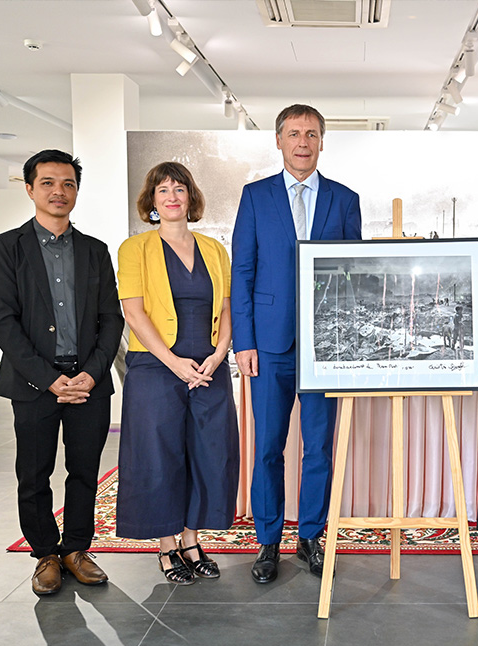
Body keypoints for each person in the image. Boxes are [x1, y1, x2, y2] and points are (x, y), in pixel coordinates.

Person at [231, 104, 362, 583]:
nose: (302, 141)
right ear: (279, 141)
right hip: (267, 346)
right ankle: (268, 542)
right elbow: (241, 272)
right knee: (267, 446)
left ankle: (310, 535)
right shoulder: (255, 196)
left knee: (318, 448)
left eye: (311, 133)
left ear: (322, 141)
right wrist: (243, 341)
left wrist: (348, 341)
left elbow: (352, 276)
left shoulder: (345, 200)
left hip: (326, 349)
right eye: (293, 133)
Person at [0, 149, 124, 596]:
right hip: (33, 385)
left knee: (84, 471)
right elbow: (3, 320)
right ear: (30, 189)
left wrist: (92, 373)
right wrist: (47, 379)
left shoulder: (95, 251)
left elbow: (111, 320)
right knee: (34, 472)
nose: (58, 191)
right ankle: (45, 553)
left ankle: (77, 550)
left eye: (67, 183)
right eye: (47, 182)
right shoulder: (7, 248)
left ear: (77, 191)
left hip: (89, 383)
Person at [115, 162, 239, 585]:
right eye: (162, 189)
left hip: (208, 366)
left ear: (191, 197)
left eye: (179, 188)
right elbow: (133, 312)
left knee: (207, 452)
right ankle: (167, 546)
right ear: (151, 201)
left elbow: (226, 307)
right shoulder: (134, 249)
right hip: (155, 365)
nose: (171, 196)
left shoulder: (215, 249)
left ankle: (191, 539)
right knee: (159, 455)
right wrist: (174, 362)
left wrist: (220, 354)